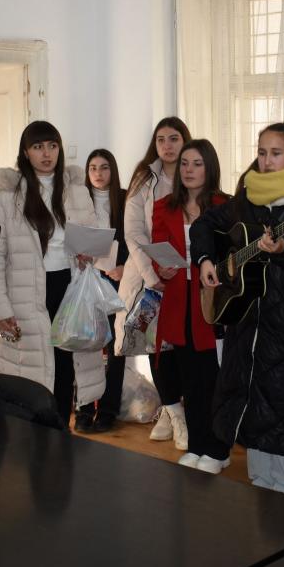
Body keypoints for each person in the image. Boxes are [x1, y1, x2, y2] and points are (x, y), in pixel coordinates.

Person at [193, 122, 284, 498]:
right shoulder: (248, 197)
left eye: (275, 153)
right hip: (246, 332)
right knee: (253, 430)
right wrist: (206, 260)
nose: (266, 161)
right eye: (261, 152)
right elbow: (205, 224)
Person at [0, 120, 99, 426]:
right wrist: (0, 309)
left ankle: (60, 433)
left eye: (52, 146)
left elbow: (93, 237)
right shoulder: (6, 198)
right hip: (26, 292)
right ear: (25, 152)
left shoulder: (77, 192)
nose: (46, 154)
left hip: (69, 287)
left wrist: (89, 253)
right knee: (30, 370)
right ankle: (34, 438)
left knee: (65, 366)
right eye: (38, 147)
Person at [152, 139, 230, 472]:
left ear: (209, 167)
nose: (188, 170)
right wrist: (162, 269)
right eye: (184, 163)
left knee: (213, 379)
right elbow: (157, 249)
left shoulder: (225, 205)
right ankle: (197, 445)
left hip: (212, 301)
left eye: (197, 164)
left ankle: (218, 450)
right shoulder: (164, 206)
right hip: (178, 300)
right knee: (189, 381)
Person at [120, 117, 192, 447]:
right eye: (161, 139)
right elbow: (133, 232)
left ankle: (173, 408)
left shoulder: (193, 173)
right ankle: (174, 412)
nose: (167, 145)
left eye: (174, 138)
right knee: (154, 345)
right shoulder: (144, 178)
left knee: (180, 346)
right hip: (148, 277)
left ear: (185, 141)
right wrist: (152, 276)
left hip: (184, 275)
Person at [75, 149, 129, 433]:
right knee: (86, 347)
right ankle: (83, 408)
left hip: (116, 281)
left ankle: (108, 410)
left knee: (116, 348)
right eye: (93, 167)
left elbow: (135, 239)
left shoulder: (125, 198)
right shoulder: (78, 198)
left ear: (113, 170)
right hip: (85, 281)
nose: (98, 173)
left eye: (104, 167)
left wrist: (124, 267)